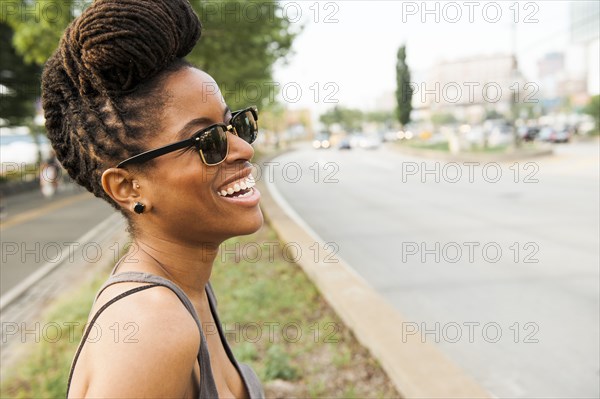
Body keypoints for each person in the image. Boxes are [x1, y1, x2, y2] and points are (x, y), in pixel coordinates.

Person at [41, 0, 264, 397]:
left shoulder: (188, 288)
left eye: (236, 125)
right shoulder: (149, 330)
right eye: (207, 141)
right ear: (129, 188)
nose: (243, 149)